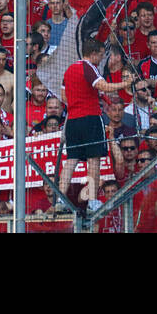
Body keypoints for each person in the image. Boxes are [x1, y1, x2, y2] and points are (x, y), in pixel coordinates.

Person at [58, 37, 131, 214]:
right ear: (94, 54)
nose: (101, 58)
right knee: (94, 161)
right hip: (90, 118)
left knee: (71, 161)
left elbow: (64, 95)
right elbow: (103, 86)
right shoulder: (89, 67)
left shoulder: (69, 69)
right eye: (100, 55)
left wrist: (86, 99)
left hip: (72, 120)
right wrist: (126, 84)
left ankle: (60, 199)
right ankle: (92, 201)